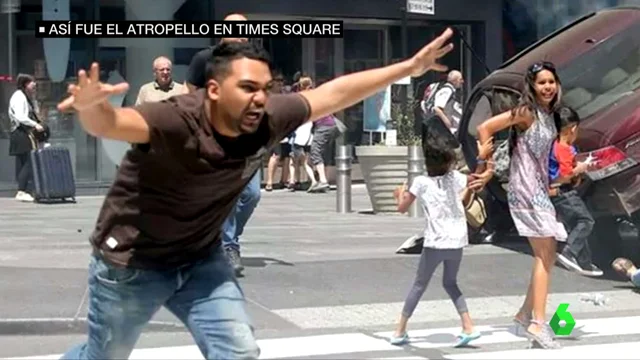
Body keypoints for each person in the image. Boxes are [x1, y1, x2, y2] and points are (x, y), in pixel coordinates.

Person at [55, 28, 457, 359]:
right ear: (213, 90)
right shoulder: (176, 119)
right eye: (247, 87)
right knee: (101, 356)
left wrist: (409, 67)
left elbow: (333, 94)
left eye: (265, 87)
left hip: (200, 260)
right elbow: (114, 123)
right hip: (131, 262)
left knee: (239, 352)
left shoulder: (268, 117)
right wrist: (92, 108)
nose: (260, 97)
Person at [475, 61, 566, 349]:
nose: (548, 87)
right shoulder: (526, 111)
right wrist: (486, 164)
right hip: (525, 188)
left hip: (537, 188)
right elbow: (485, 127)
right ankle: (538, 324)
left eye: (551, 81)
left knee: (547, 255)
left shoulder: (549, 114)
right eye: (542, 82)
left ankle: (525, 315)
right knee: (544, 253)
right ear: (532, 86)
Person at [389, 134, 491, 347]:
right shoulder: (455, 177)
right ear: (448, 161)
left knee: (419, 284)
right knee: (450, 283)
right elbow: (475, 178)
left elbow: (402, 208)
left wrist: (398, 193)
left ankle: (400, 330)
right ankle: (468, 325)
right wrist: (482, 159)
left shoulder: (421, 182)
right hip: (457, 241)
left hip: (436, 242)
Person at [184, 13, 256, 276]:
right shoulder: (205, 59)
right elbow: (190, 89)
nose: (242, 35)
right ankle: (228, 246)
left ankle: (224, 239)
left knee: (251, 194)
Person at [548, 105, 602, 277]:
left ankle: (584, 262)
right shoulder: (562, 148)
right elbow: (565, 175)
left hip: (560, 193)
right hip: (564, 192)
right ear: (572, 128)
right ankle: (569, 252)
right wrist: (582, 167)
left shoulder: (555, 145)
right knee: (586, 221)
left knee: (576, 224)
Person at [8, 73, 46, 202]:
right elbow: (21, 116)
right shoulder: (19, 97)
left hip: (20, 133)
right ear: (25, 84)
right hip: (21, 133)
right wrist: (35, 124)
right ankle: (22, 191)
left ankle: (24, 189)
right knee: (28, 161)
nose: (34, 84)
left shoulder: (25, 97)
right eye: (32, 82)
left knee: (23, 162)